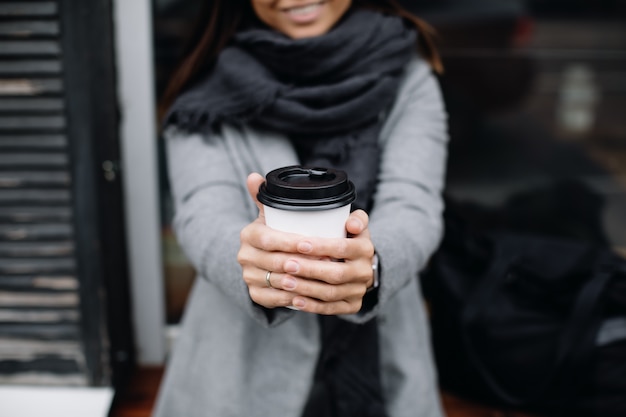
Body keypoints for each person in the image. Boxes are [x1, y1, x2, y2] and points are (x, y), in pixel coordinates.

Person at [153, 1, 448, 416]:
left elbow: (415, 203)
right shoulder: (205, 88)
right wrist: (253, 259)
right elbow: (201, 212)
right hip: (239, 373)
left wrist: (370, 265)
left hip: (381, 360)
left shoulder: (407, 74)